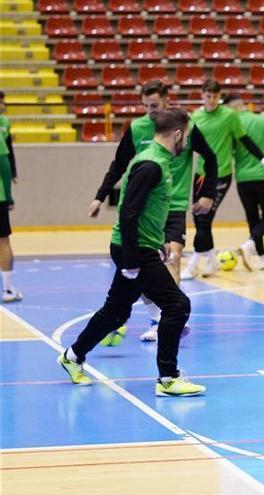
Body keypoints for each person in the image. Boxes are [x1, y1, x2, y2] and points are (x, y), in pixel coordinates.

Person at [59, 108, 207, 397]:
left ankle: (72, 357)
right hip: (134, 249)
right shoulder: (151, 164)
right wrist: (130, 262)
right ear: (177, 134)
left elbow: (146, 210)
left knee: (116, 312)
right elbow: (128, 213)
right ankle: (168, 378)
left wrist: (160, 239)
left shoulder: (159, 161)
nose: (187, 143)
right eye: (186, 136)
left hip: (142, 245)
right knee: (177, 305)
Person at [88, 80, 218, 341]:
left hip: (175, 203)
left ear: (166, 102)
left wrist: (207, 194)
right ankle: (152, 317)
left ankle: (171, 319)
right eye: (146, 105)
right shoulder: (137, 129)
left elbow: (211, 158)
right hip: (146, 210)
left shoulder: (185, 127)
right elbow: (119, 164)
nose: (150, 111)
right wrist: (100, 196)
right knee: (143, 270)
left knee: (174, 256)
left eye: (155, 105)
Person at [182, 79, 264, 279]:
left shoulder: (229, 116)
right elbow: (188, 145)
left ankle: (193, 264)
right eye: (208, 96)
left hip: (221, 175)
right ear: (202, 95)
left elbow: (245, 140)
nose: (212, 100)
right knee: (198, 219)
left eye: (215, 97)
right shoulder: (195, 117)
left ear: (219, 97)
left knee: (205, 218)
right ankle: (212, 261)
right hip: (201, 174)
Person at [223, 94, 264, 271]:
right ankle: (250, 245)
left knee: (252, 219)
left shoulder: (232, 123)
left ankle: (262, 258)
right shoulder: (263, 120)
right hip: (262, 176)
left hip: (242, 178)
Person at [0, 90, 21, 303]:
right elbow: (3, 164)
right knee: (3, 240)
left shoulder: (5, 122)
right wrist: (9, 196)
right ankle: (7, 290)